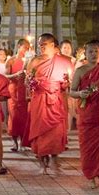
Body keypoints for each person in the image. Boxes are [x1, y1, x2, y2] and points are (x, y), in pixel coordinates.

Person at [70, 40, 99, 188]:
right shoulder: (80, 71)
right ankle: (90, 175)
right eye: (90, 51)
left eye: (96, 51)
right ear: (85, 53)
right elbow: (71, 92)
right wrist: (80, 93)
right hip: (88, 114)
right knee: (89, 147)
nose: (93, 54)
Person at [27, 33, 73, 174]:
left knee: (56, 132)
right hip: (40, 100)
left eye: (44, 44)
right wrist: (32, 84)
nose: (41, 47)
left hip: (56, 100)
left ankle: (54, 159)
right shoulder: (35, 61)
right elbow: (28, 82)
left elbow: (69, 83)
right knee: (39, 131)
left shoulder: (65, 61)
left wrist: (66, 84)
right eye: (40, 44)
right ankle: (42, 163)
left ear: (53, 45)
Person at [5, 39, 30, 152]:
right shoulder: (11, 60)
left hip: (24, 90)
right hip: (13, 90)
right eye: (24, 47)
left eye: (28, 48)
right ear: (19, 46)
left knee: (24, 117)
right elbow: (6, 76)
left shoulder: (29, 61)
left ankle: (22, 142)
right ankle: (15, 142)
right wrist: (15, 74)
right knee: (14, 116)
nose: (26, 50)